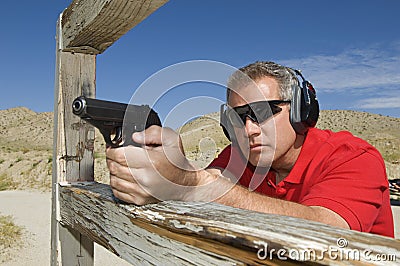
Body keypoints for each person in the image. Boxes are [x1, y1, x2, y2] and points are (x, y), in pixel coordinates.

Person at [106, 61, 394, 237]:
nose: (248, 130)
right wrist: (169, 172)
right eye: (237, 117)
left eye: (263, 111)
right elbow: (209, 181)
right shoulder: (240, 154)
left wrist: (194, 186)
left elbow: (329, 230)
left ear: (300, 111)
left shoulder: (353, 157)